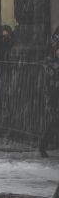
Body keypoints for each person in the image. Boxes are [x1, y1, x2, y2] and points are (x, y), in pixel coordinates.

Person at [40, 30, 59, 158]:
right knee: (54, 120)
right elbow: (49, 79)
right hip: (53, 95)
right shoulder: (50, 62)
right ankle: (43, 144)